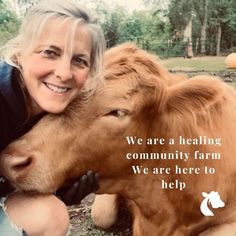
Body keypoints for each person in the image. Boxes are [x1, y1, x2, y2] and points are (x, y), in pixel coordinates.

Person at [0, 0, 105, 235]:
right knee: (50, 215)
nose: (64, 73)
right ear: (20, 54)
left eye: (79, 60)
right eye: (50, 52)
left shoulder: (65, 110)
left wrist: (56, 187)